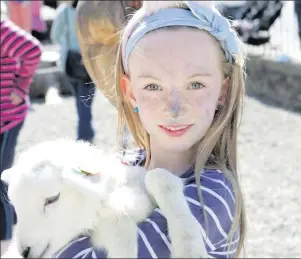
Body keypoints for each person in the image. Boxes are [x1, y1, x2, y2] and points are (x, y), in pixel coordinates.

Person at [56, 1, 247, 258]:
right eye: (153, 87)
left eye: (196, 84)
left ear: (222, 91)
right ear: (130, 92)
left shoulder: (211, 196)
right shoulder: (120, 163)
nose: (175, 108)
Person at [0, 18, 42, 253]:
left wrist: (20, 86)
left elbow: (32, 50)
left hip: (7, 117)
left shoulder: (2, 30)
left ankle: (5, 244)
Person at [50, 0, 95, 143]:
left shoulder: (63, 12)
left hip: (68, 62)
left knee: (79, 101)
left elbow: (55, 36)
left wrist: (68, 42)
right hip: (89, 61)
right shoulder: (91, 10)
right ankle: (85, 135)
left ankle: (86, 131)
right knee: (86, 102)